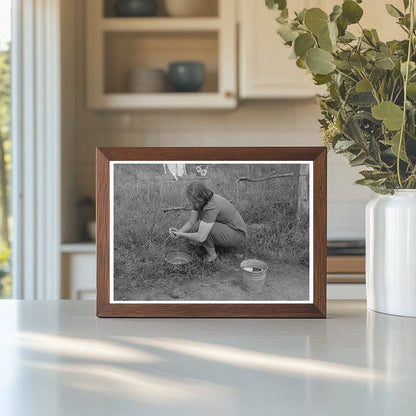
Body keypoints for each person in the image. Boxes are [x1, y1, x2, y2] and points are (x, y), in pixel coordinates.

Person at [169, 182, 247, 262]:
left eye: (194, 202)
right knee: (194, 233)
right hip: (225, 227)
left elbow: (201, 237)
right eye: (192, 202)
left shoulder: (211, 206)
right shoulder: (199, 202)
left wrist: (182, 235)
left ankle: (212, 256)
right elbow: (191, 222)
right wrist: (179, 231)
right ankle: (213, 243)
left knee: (204, 233)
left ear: (201, 198)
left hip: (237, 233)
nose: (193, 204)